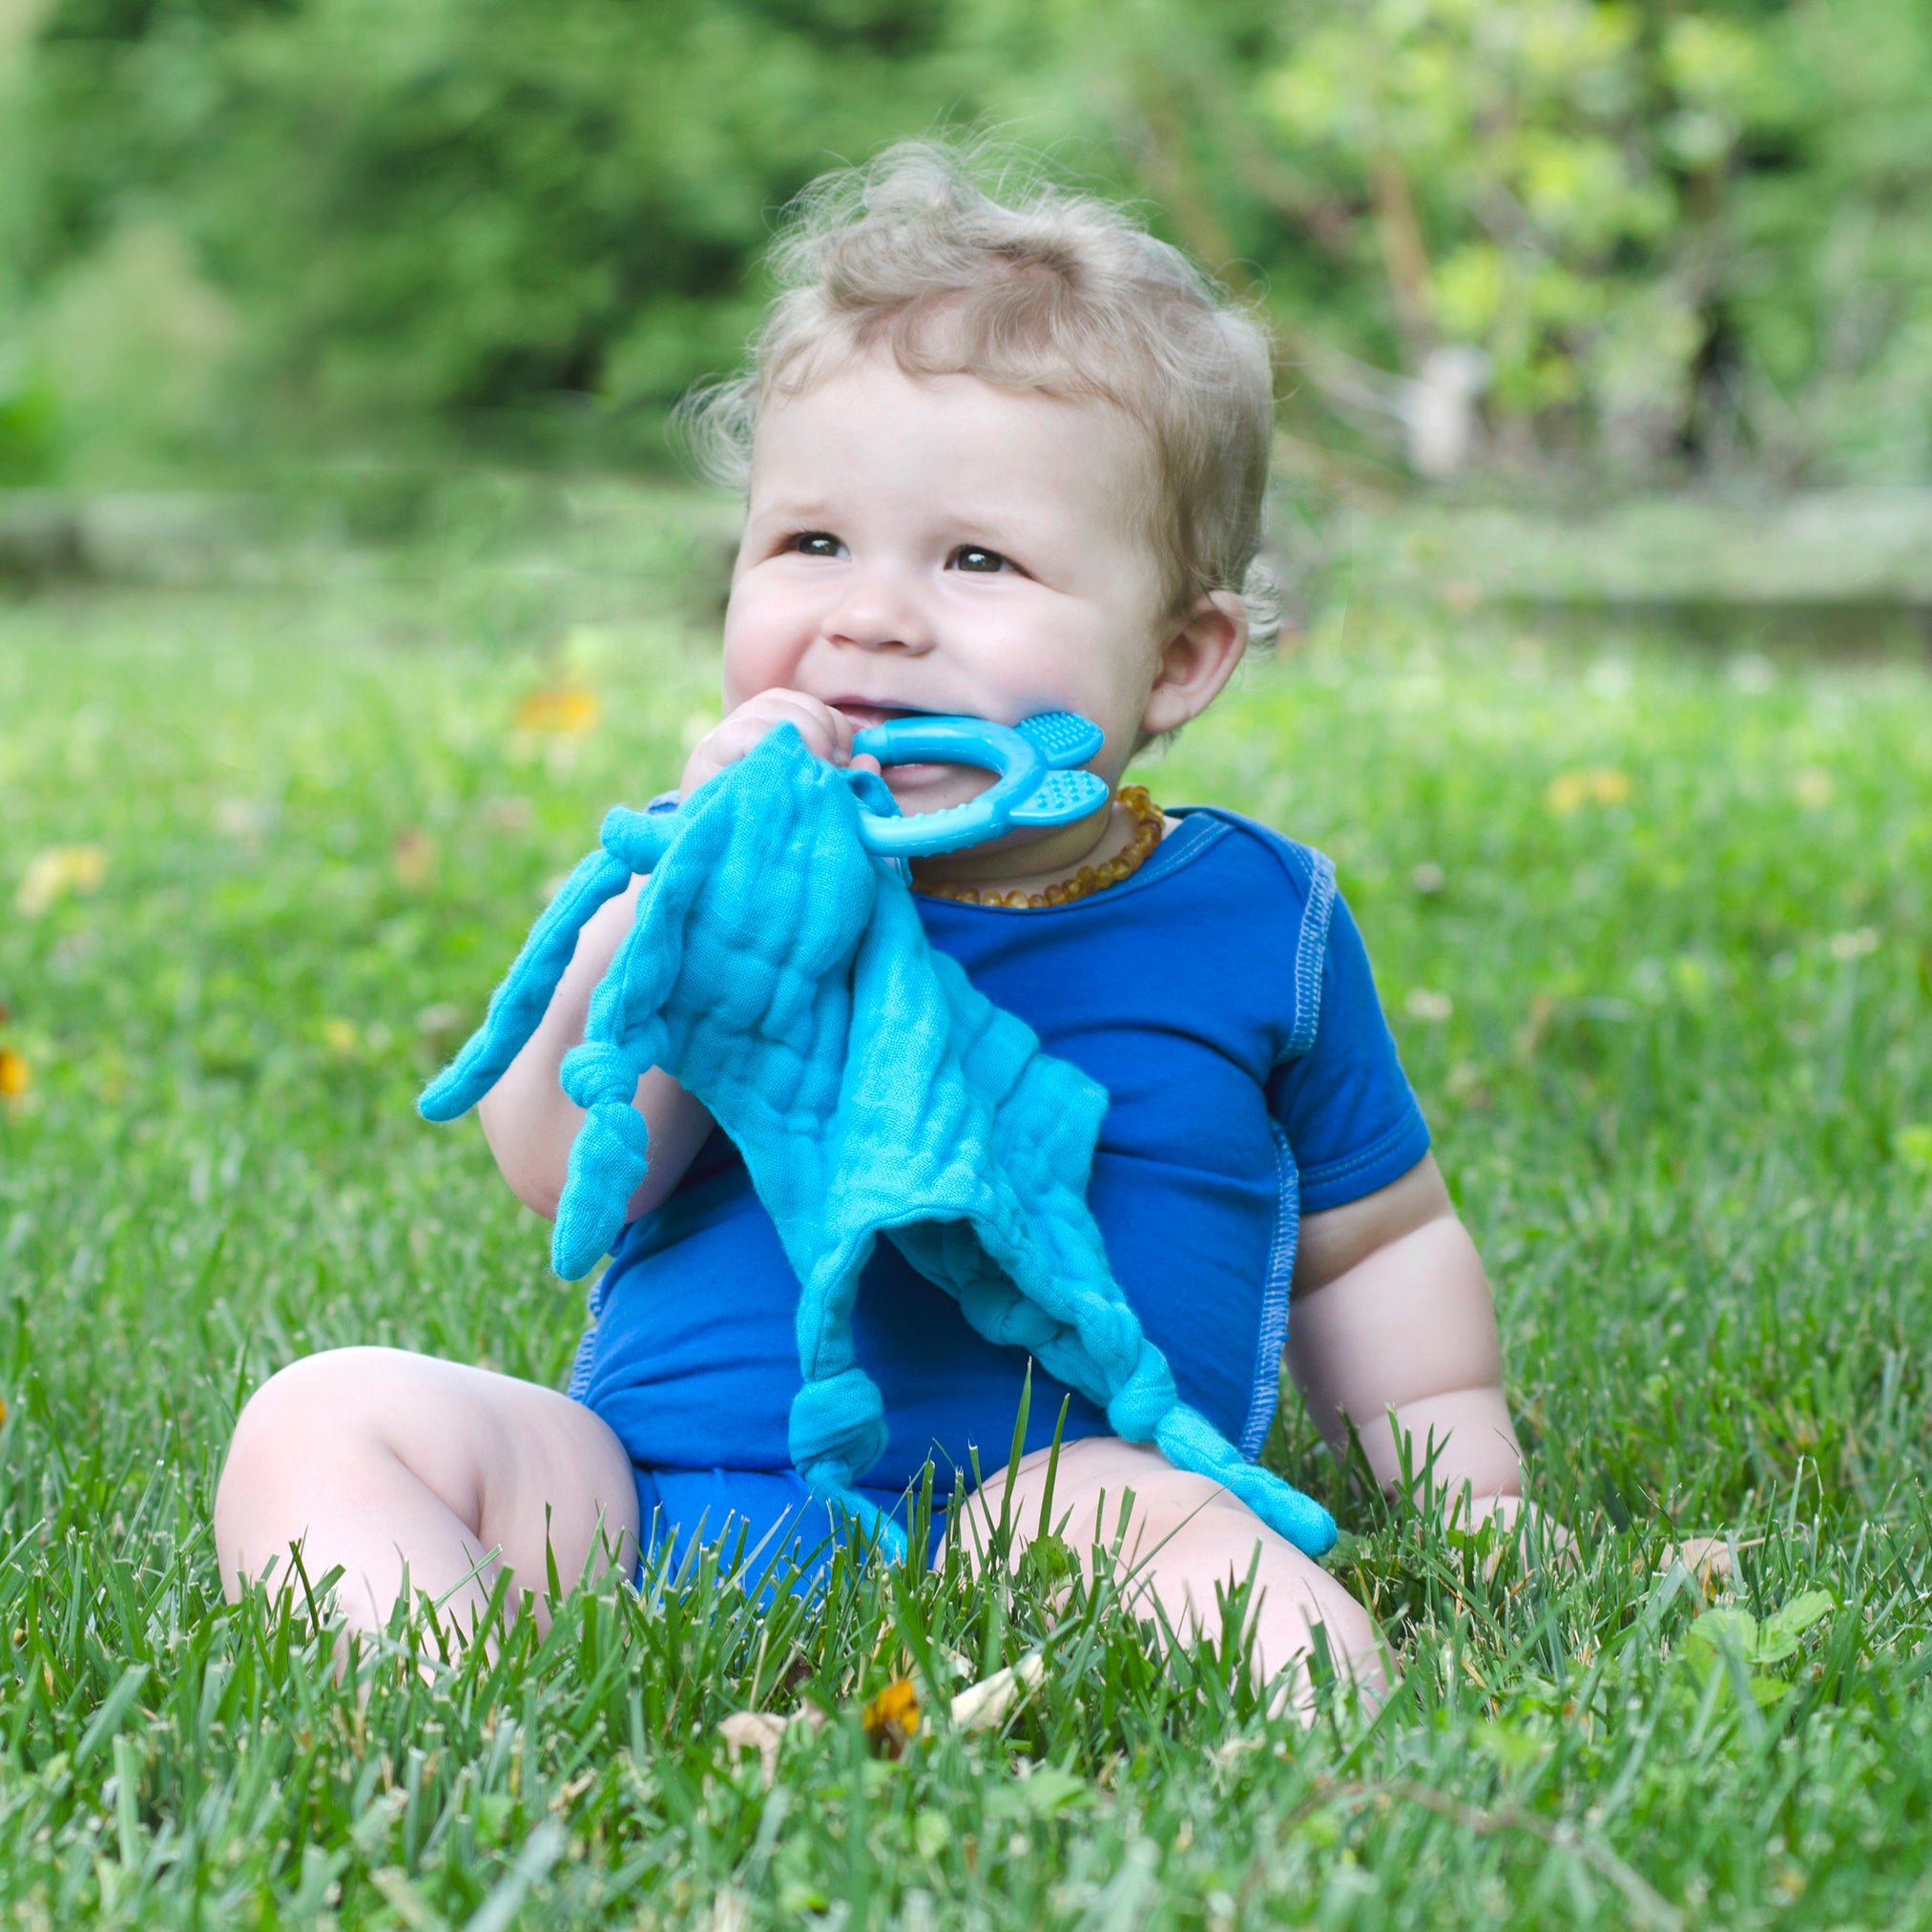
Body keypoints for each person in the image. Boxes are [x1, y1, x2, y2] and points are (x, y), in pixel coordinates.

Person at [215, 143, 1534, 1699]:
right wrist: (693, 893)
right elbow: (556, 1160)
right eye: (809, 544)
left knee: (1128, 1514)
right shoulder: (712, 868)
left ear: (1176, 660)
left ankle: (1318, 1749)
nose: (869, 613)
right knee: (329, 1411)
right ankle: (447, 1706)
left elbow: (1372, 1249)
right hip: (638, 1509)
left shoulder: (1259, 919)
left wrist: (1472, 1504)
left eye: (976, 559)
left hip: (1043, 1516)